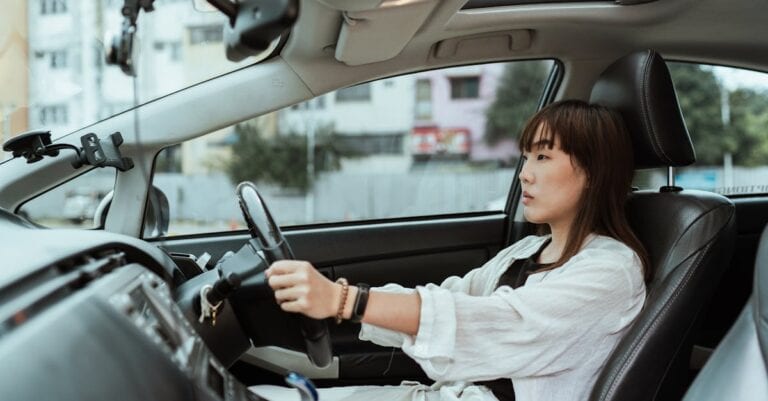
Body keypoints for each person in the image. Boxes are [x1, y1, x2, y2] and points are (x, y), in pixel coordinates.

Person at [250, 100, 650, 401]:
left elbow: (491, 323)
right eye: (526, 157)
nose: (525, 173)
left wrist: (345, 300)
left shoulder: (611, 272)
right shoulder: (528, 250)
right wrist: (339, 305)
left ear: (593, 172)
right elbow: (452, 297)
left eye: (543, 157)